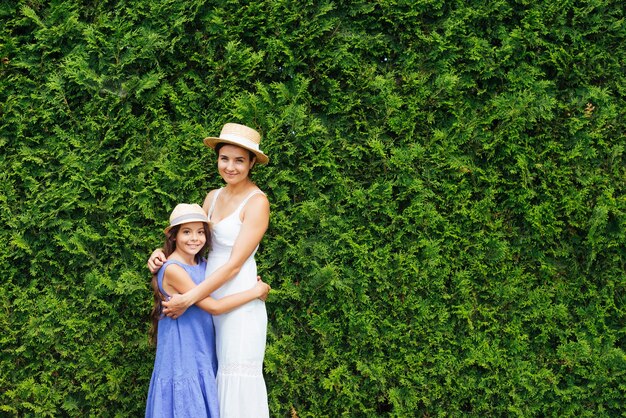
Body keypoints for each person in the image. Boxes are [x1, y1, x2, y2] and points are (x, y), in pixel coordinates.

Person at [148, 122, 271, 417]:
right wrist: (160, 255)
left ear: (252, 162)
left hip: (237, 297)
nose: (230, 167)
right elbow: (193, 243)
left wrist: (189, 299)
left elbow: (233, 265)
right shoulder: (212, 197)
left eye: (240, 160)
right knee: (213, 376)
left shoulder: (258, 202)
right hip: (207, 298)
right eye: (224, 158)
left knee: (236, 375)